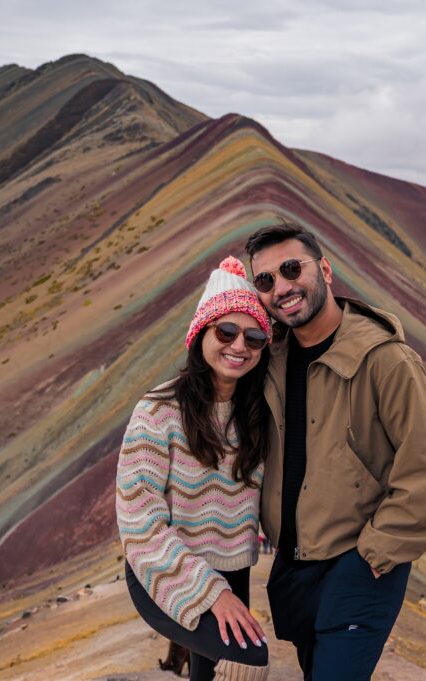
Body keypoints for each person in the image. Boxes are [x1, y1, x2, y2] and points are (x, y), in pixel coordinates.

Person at [244, 222, 426, 681]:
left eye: (291, 269)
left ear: (324, 269)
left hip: (358, 564)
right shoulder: (271, 358)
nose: (282, 287)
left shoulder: (386, 360)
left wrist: (373, 556)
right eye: (265, 281)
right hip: (296, 563)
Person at [116, 256, 272, 681]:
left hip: (233, 569)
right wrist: (210, 592)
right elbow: (141, 525)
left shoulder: (257, 414)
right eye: (226, 331)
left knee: (213, 674)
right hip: (162, 571)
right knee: (248, 663)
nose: (239, 346)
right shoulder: (158, 411)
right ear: (200, 333)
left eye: (254, 337)